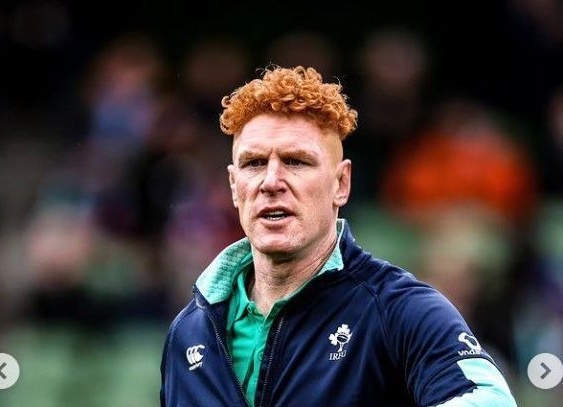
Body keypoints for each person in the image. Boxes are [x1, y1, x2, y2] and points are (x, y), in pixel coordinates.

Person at [159, 66, 517, 406]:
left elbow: (491, 400)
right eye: (254, 163)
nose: (271, 182)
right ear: (234, 186)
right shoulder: (189, 332)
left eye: (296, 161)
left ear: (341, 184)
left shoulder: (400, 309)